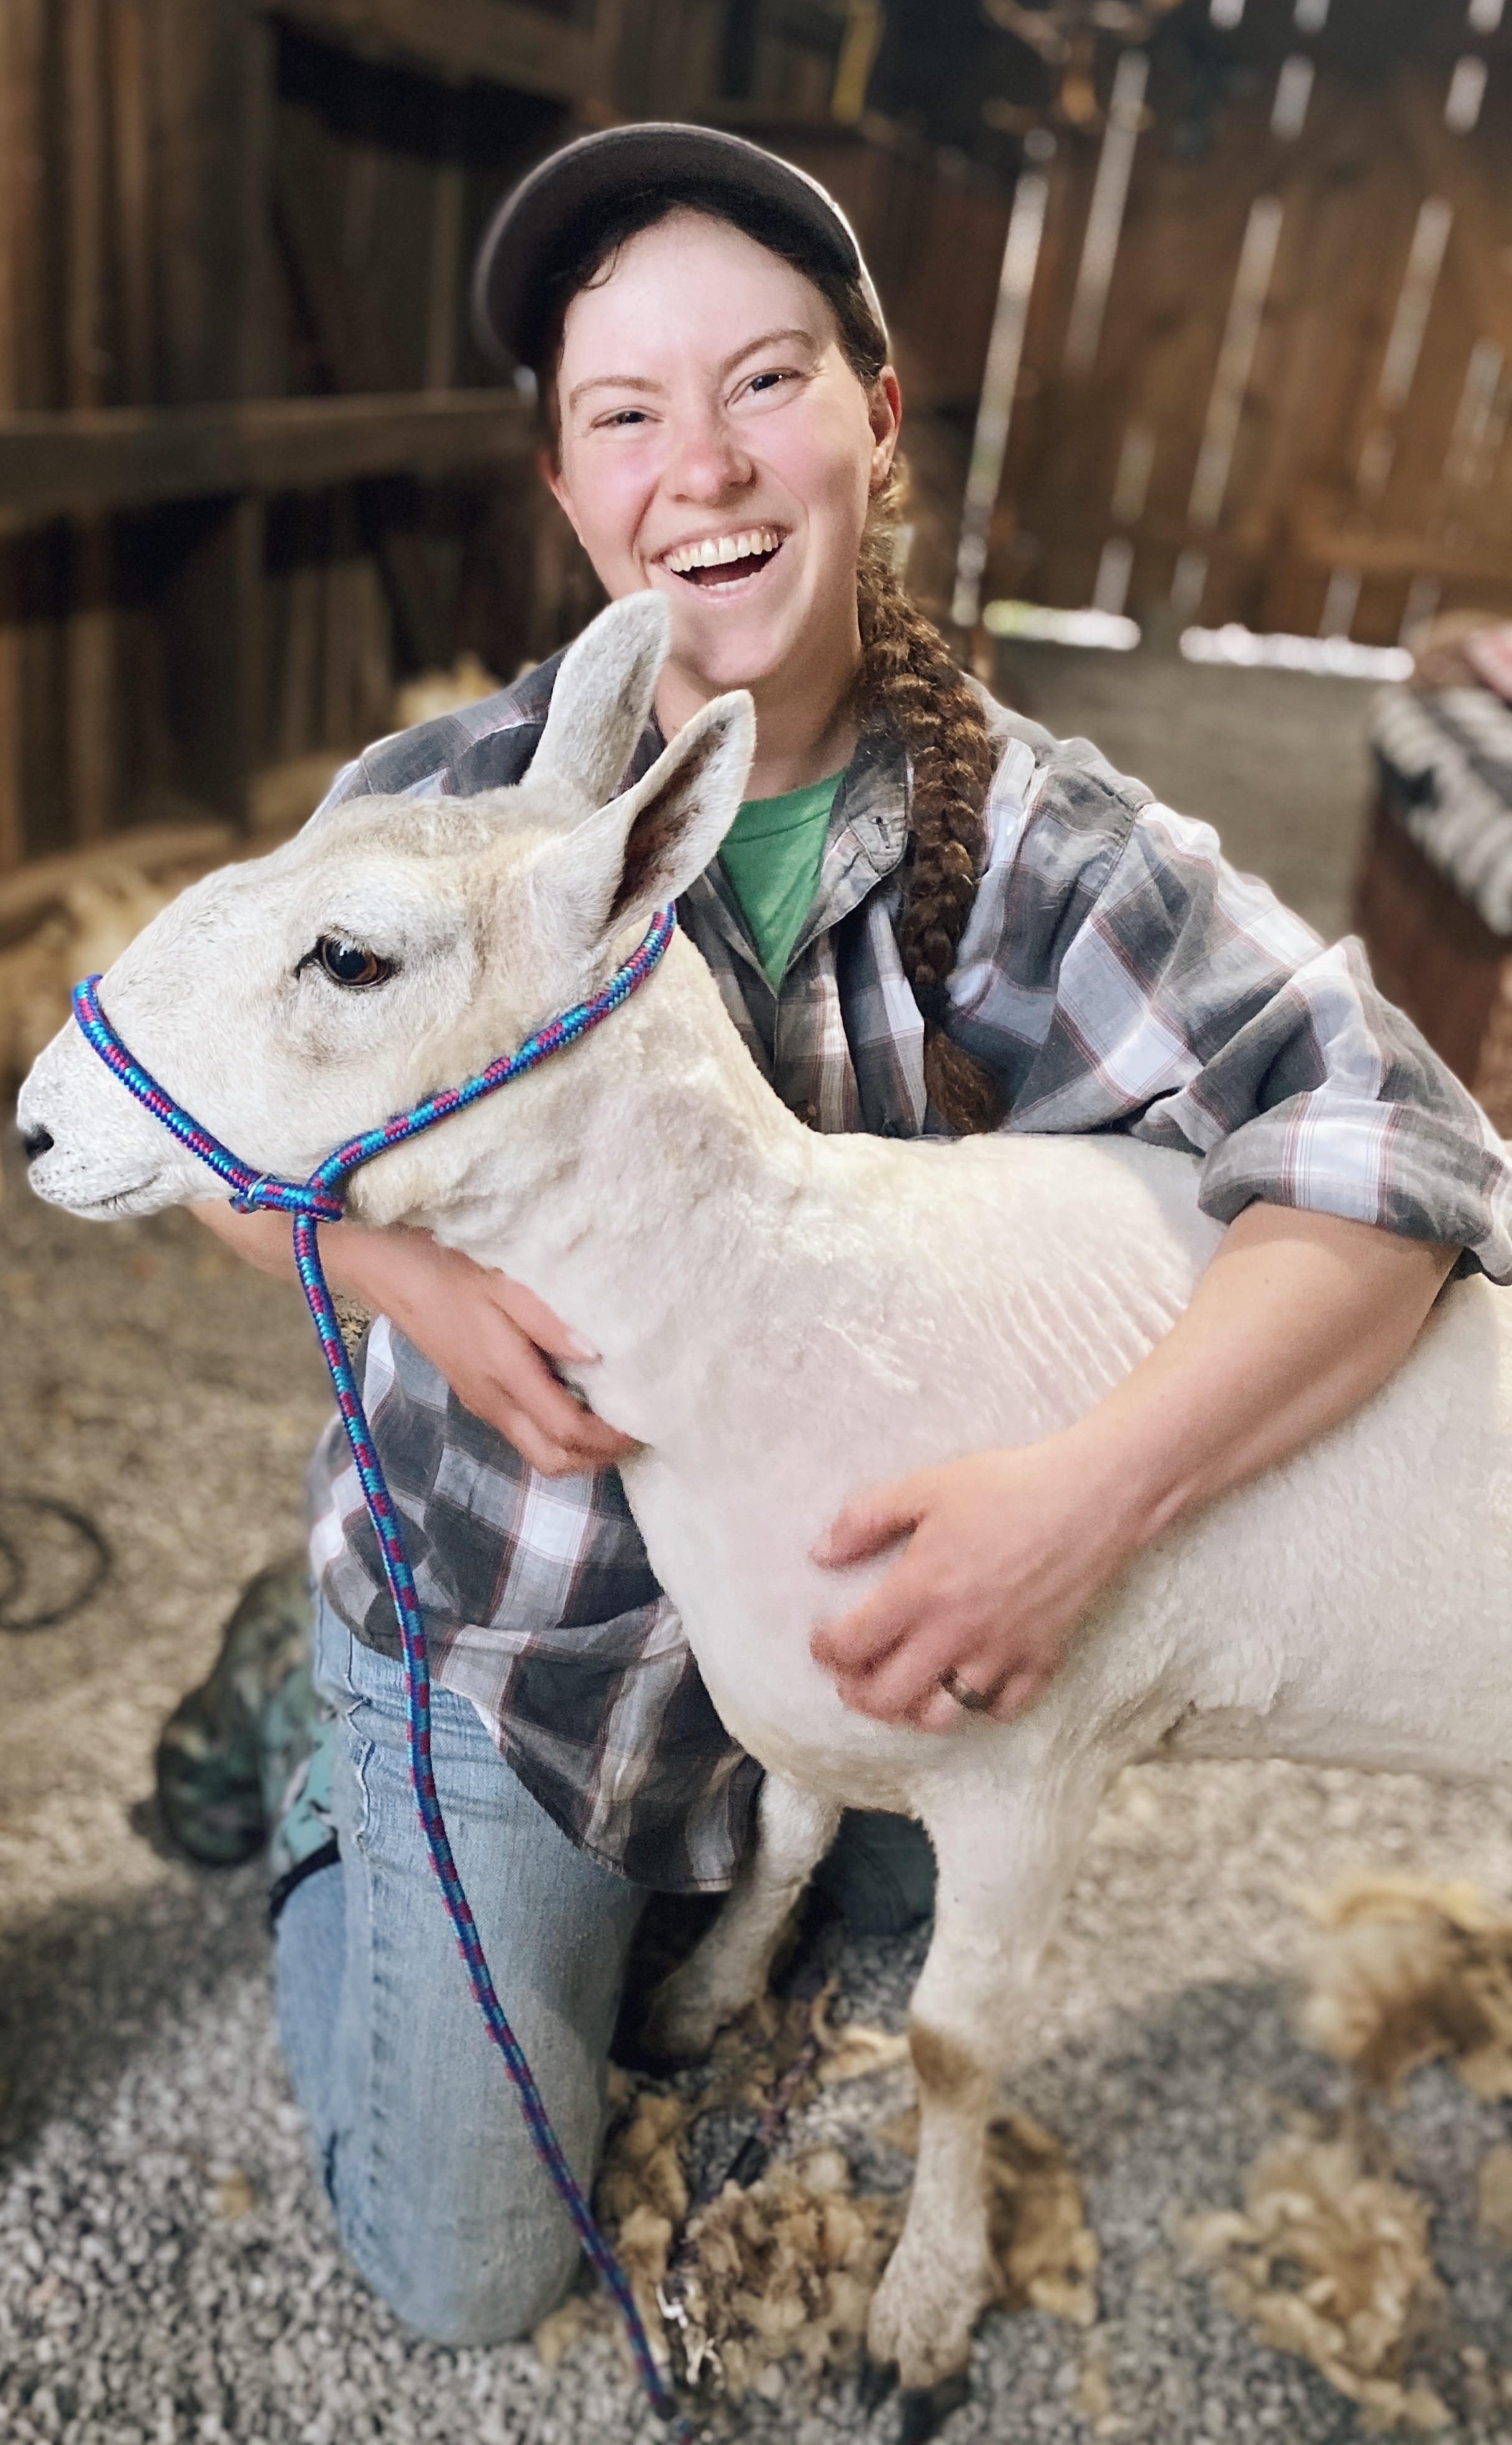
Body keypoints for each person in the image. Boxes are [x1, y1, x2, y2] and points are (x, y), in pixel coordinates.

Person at [161, 125, 1512, 2347]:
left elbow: (1398, 1149)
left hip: (871, 1608)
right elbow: (211, 1129)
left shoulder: (1051, 845)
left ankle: (777, 1830)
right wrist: (411, 1285)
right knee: (477, 2266)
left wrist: (1078, 1516)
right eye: (626, 416)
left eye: (767, 382)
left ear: (880, 427)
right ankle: (338, 1745)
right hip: (534, 1635)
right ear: (571, 494)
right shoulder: (435, 824)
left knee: (937, 1874)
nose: (704, 463)